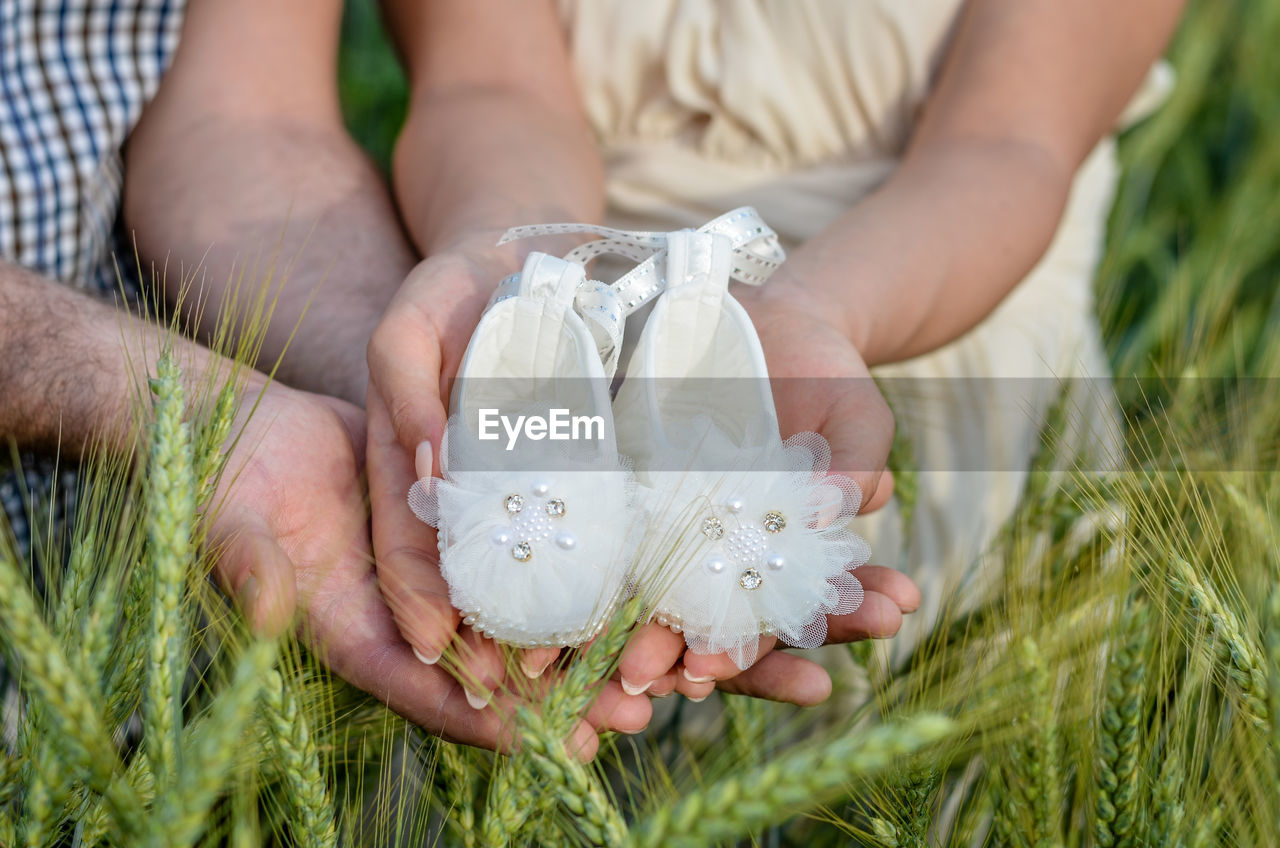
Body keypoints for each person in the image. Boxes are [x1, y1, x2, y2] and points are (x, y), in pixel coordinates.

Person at [0, 0, 1180, 753]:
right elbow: (488, 83)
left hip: (907, 340)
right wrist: (523, 272)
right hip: (565, 342)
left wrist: (814, 310)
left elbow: (1008, 145)